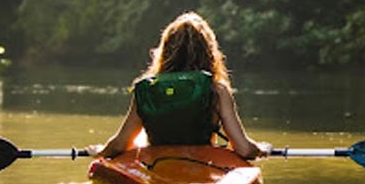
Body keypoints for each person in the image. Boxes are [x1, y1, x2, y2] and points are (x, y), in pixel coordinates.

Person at [86, 12, 267, 160]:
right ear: (209, 52)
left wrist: (101, 152)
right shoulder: (217, 91)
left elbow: (120, 144)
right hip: (203, 167)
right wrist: (260, 148)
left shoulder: (148, 89)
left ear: (165, 50)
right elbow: (244, 150)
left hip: (157, 168)